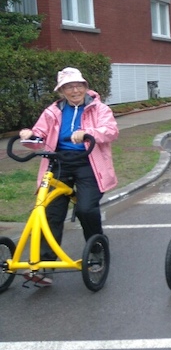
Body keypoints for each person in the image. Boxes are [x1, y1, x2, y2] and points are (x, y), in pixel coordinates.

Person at [19, 67, 119, 286]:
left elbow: (111, 131)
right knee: (50, 213)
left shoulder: (99, 109)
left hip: (89, 163)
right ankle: (44, 265)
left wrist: (88, 133)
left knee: (85, 209)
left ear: (85, 86)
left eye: (78, 85)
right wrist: (29, 136)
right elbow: (38, 137)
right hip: (59, 162)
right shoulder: (52, 111)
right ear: (61, 91)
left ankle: (96, 249)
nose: (75, 90)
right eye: (68, 87)